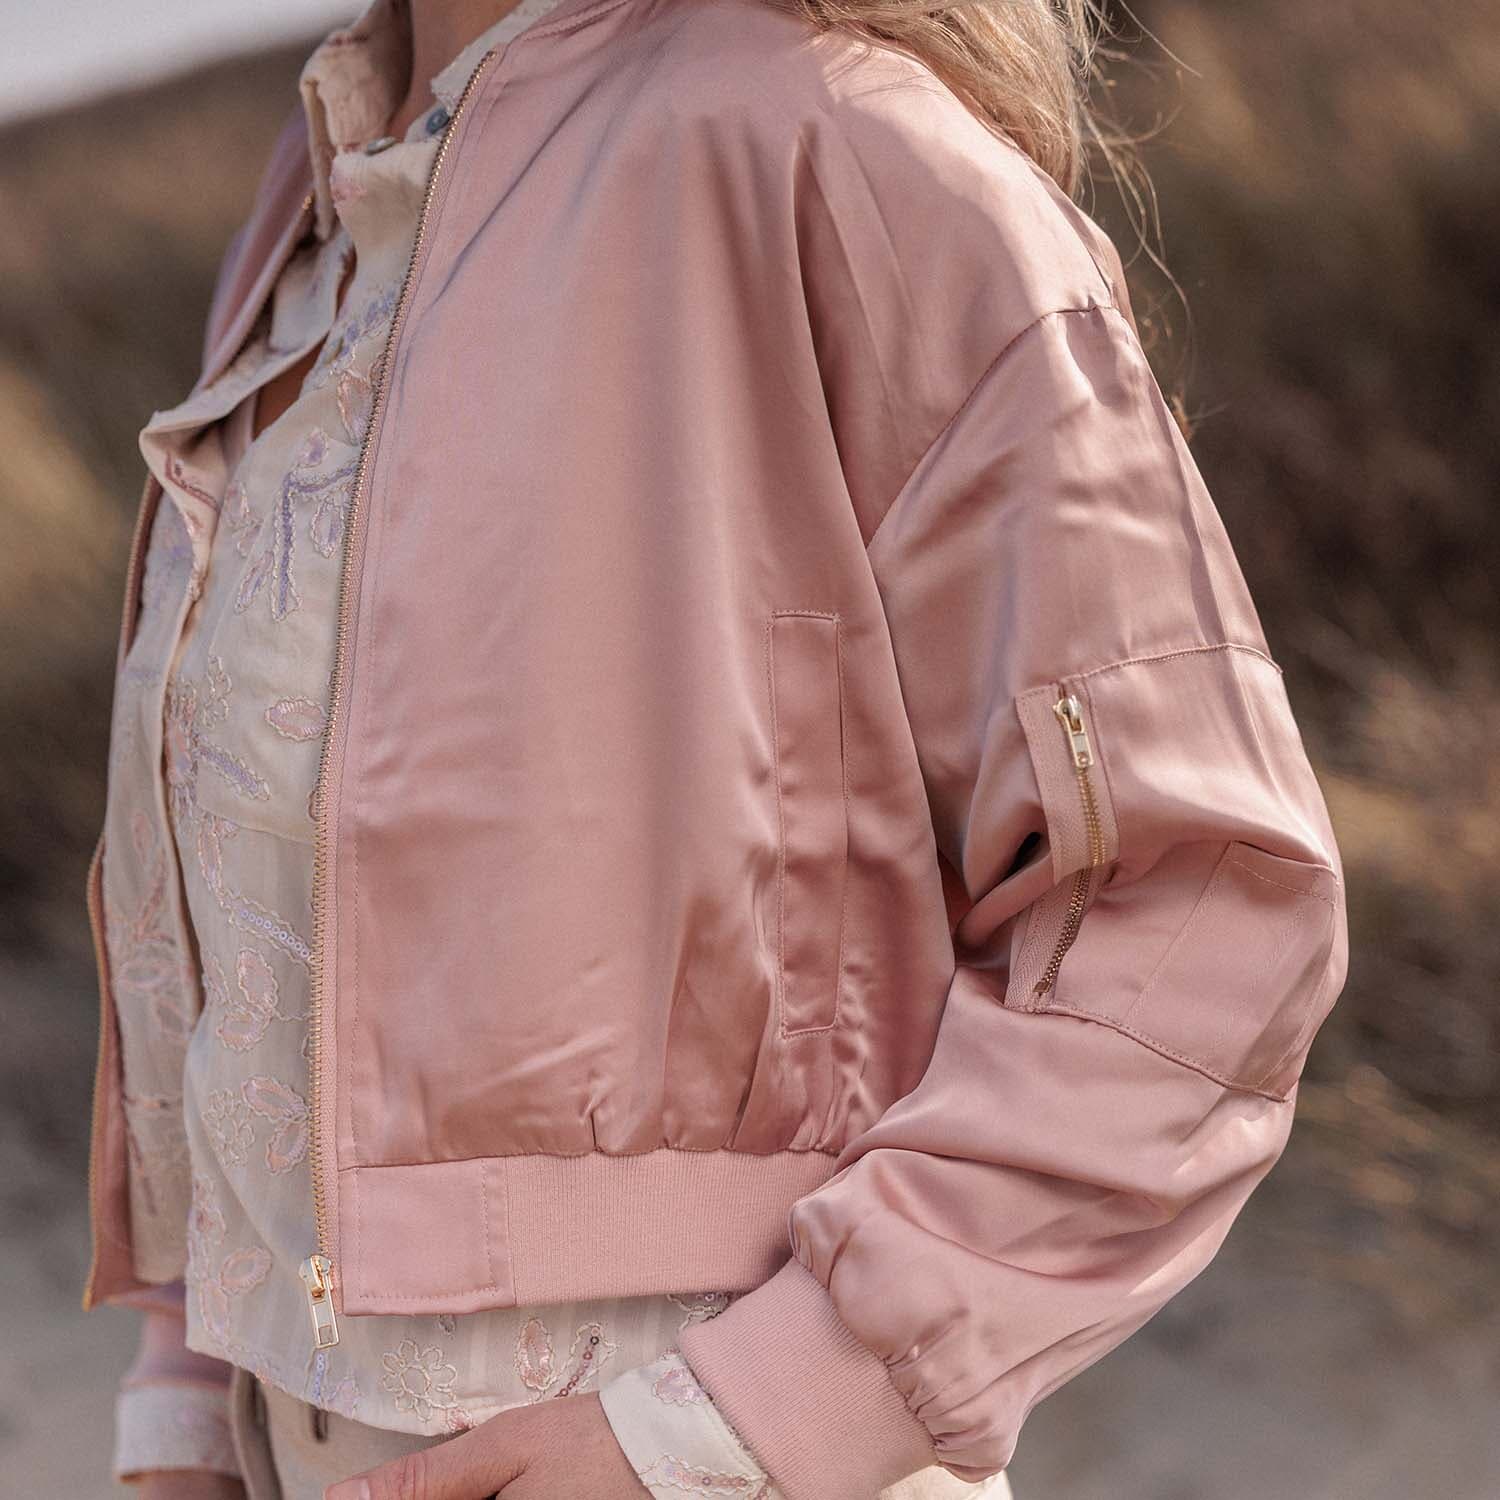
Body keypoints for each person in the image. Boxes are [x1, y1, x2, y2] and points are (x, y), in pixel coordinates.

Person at [81, 0, 1350, 1496]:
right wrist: (185, 1402)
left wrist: (738, 1428)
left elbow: (1205, 910)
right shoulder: (314, 207)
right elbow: (261, 929)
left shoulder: (830, 140)